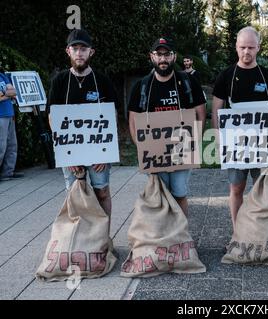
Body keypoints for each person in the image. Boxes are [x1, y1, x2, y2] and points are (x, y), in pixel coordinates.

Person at [212, 26, 268, 230]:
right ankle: (238, 232)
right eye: (242, 47)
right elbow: (217, 110)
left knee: (264, 189)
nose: (246, 52)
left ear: (258, 48)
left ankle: (262, 231)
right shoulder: (225, 76)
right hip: (235, 145)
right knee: (236, 188)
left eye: (251, 47)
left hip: (263, 144)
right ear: (236, 47)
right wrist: (219, 139)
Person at [128, 37, 206, 216]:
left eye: (167, 54)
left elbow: (200, 113)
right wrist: (142, 149)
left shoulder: (188, 82)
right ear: (152, 57)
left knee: (179, 193)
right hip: (154, 152)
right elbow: (133, 120)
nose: (163, 59)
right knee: (160, 196)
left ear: (174, 56)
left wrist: (195, 141)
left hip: (182, 148)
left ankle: (182, 236)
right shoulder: (142, 86)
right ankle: (164, 238)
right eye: (159, 54)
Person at [47, 29, 118, 216]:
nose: (79, 53)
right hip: (70, 149)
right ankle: (77, 240)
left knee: (102, 192)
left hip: (98, 150)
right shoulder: (59, 81)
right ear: (68, 51)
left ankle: (103, 239)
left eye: (83, 49)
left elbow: (113, 116)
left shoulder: (102, 80)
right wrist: (66, 154)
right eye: (75, 48)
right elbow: (52, 117)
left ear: (91, 52)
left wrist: (105, 153)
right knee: (73, 193)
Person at [0, 72, 24, 181]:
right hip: (0, 116)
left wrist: (3, 94)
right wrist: (8, 94)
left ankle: (7, 173)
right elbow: (10, 94)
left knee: (12, 146)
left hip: (10, 114)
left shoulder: (2, 75)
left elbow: (14, 92)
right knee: (1, 146)